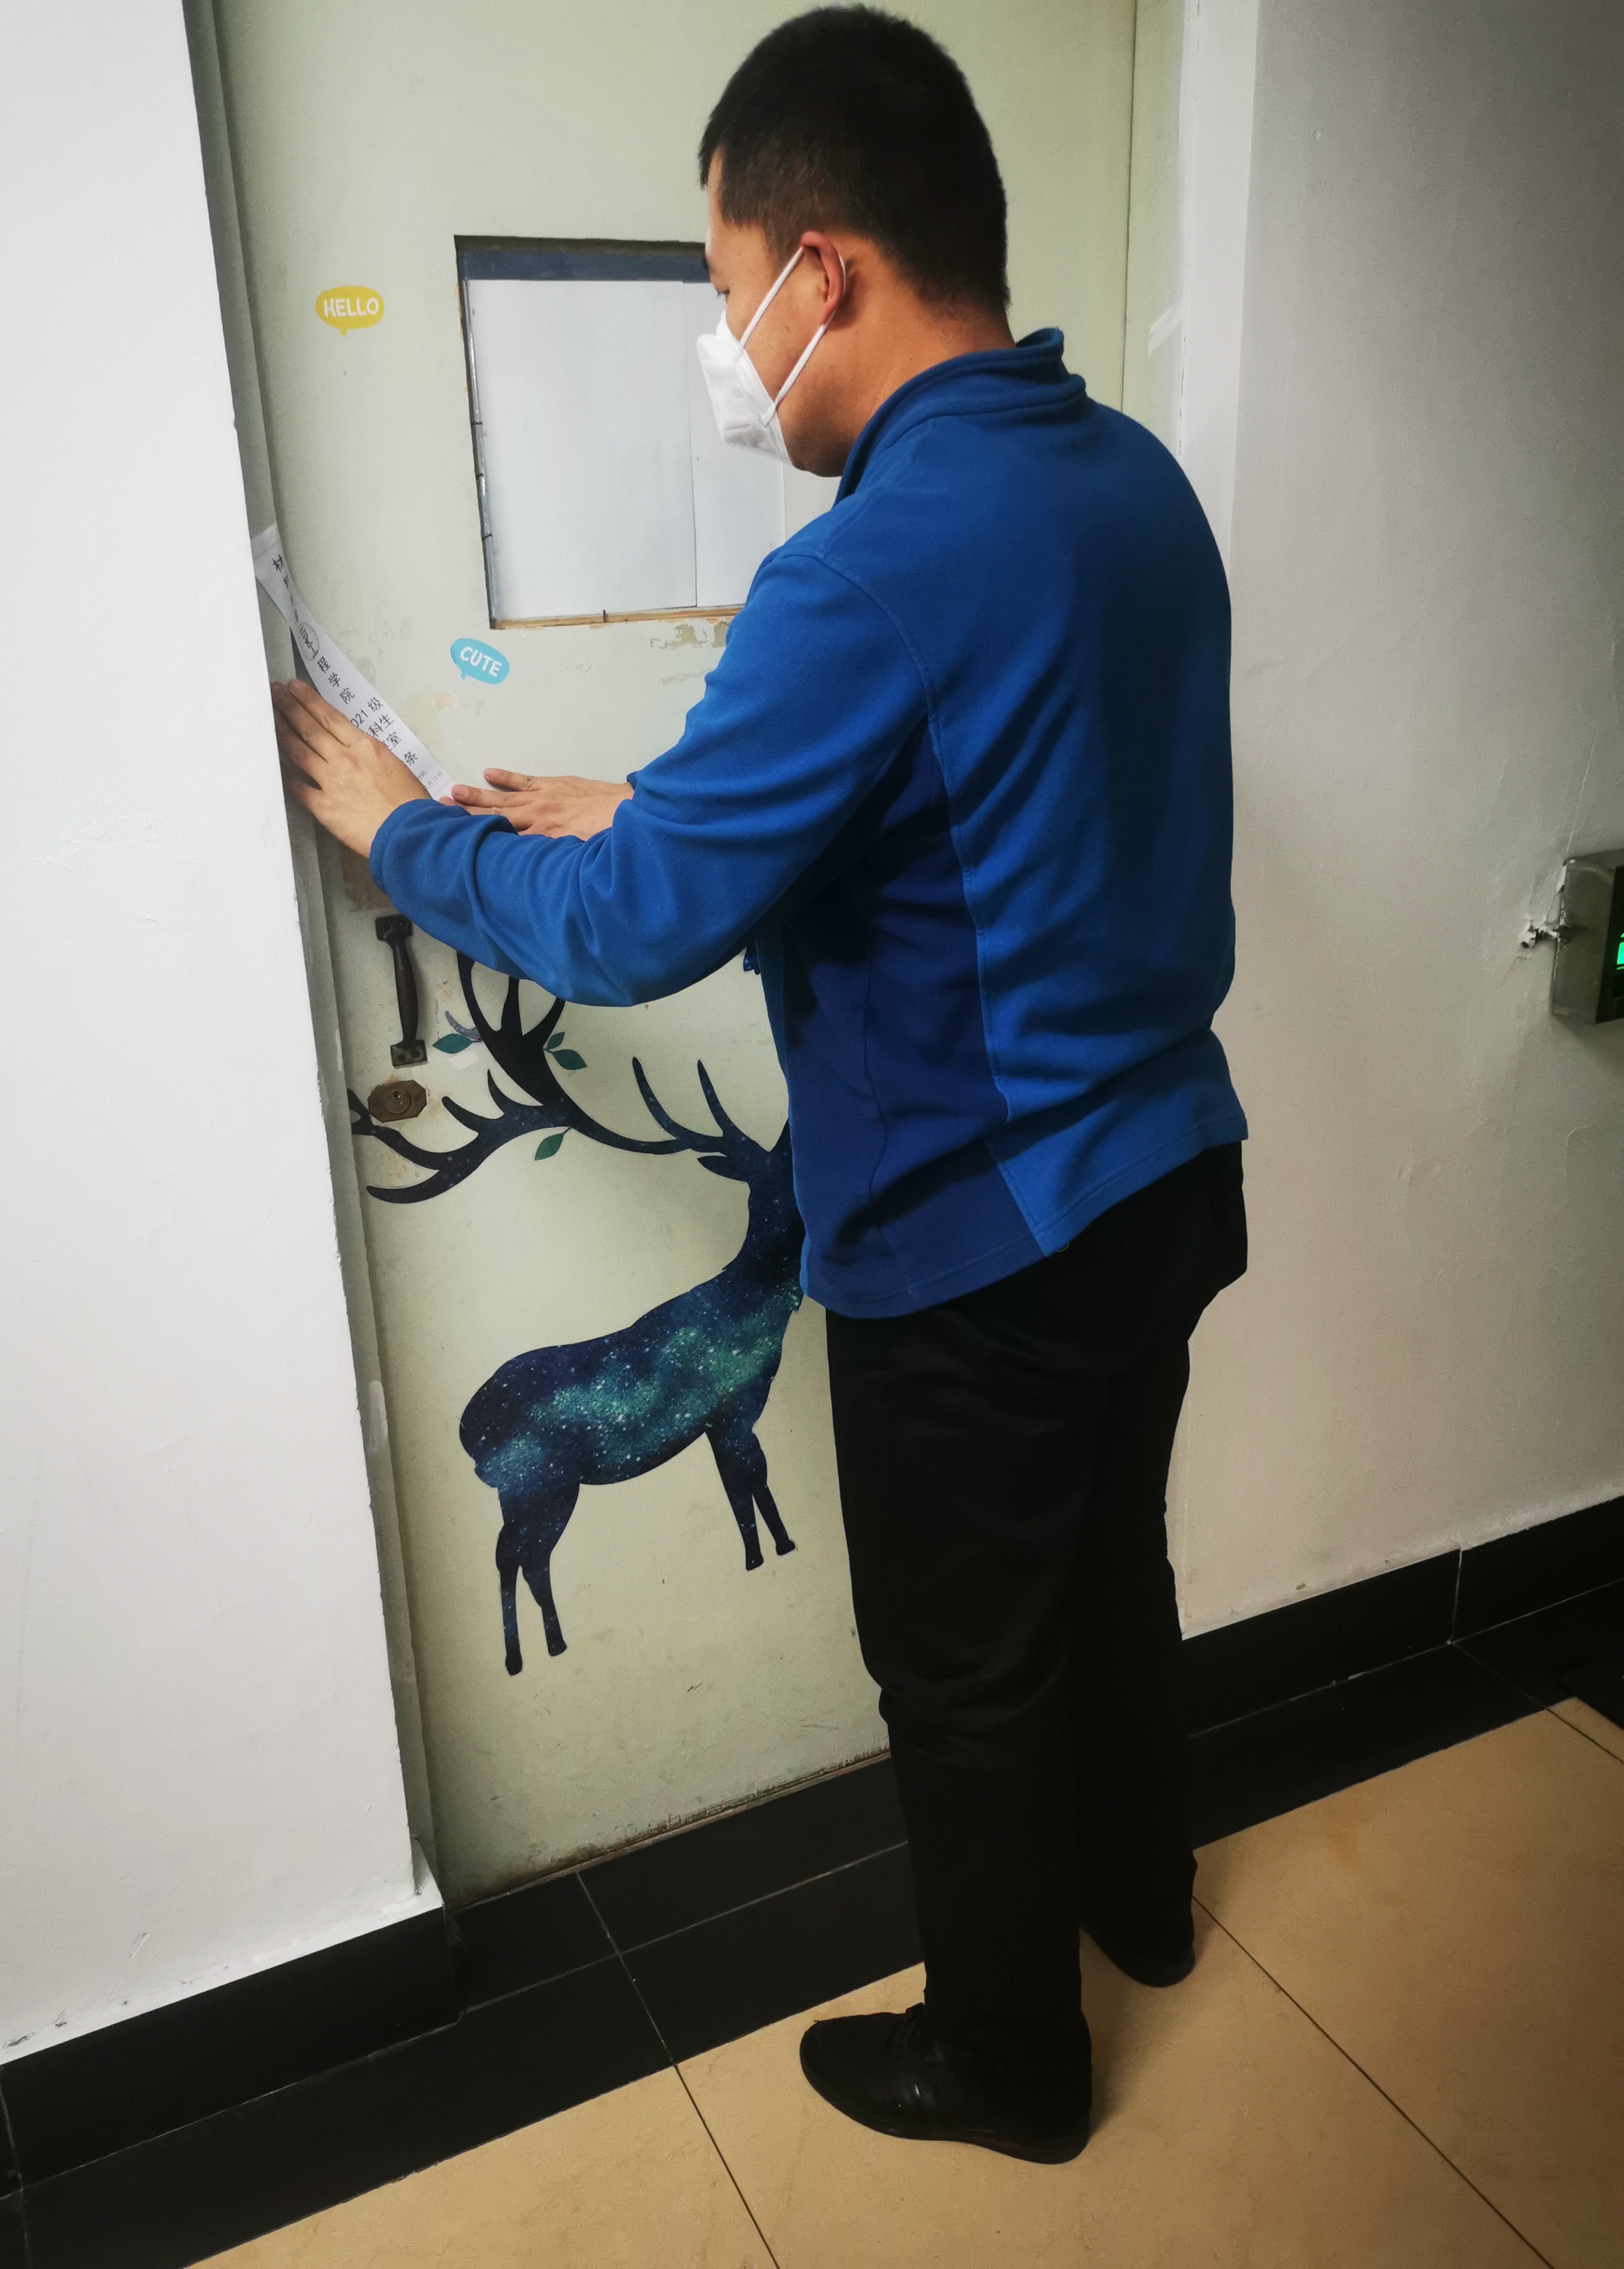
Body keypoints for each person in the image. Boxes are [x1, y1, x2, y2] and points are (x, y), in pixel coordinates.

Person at [276, 4, 1246, 2168]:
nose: (733, 354)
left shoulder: (868, 565)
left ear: (827, 268)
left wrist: (408, 837)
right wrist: (652, 795)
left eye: (729, 297)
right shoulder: (1129, 482)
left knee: (965, 1669)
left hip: (981, 1241)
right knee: (1113, 1566)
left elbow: (640, 933)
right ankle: (1144, 1907)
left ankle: (1008, 2068)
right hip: (1169, 1179)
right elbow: (996, 780)